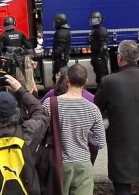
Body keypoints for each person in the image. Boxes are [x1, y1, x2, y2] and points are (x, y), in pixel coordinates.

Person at [94, 40, 139, 194]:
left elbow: (96, 108)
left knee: (122, 185)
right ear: (137, 57)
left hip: (121, 142)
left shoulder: (109, 81)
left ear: (120, 57)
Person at [43, 64, 106, 194]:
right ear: (86, 82)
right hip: (83, 164)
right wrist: (86, 133)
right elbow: (100, 143)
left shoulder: (49, 103)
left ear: (67, 80)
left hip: (59, 163)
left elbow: (41, 130)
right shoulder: (93, 108)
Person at [88, 11, 109, 85]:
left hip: (100, 57)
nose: (93, 21)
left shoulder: (102, 30)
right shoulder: (94, 30)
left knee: (102, 76)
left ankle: (105, 93)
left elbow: (104, 46)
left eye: (95, 19)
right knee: (98, 77)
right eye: (92, 19)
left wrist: (100, 58)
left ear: (99, 20)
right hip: (96, 56)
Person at [51, 13, 71, 81]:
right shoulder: (63, 31)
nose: (54, 24)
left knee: (61, 78)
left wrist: (54, 54)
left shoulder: (62, 33)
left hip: (60, 59)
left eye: (56, 22)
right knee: (59, 77)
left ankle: (61, 90)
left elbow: (60, 47)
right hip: (61, 59)